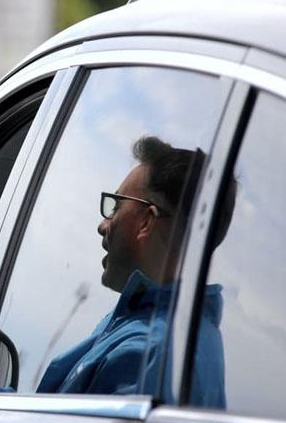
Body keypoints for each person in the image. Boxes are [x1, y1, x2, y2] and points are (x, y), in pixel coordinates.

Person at [35, 136, 227, 407]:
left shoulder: (144, 352)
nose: (103, 225)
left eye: (116, 206)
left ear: (146, 222)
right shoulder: (173, 330)